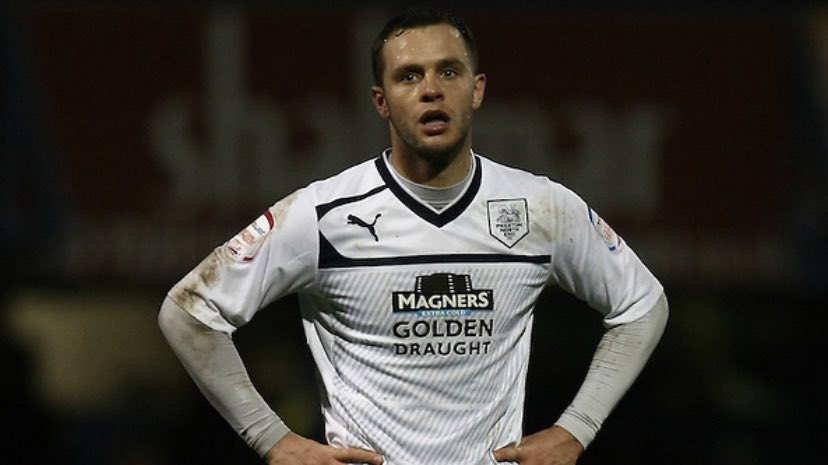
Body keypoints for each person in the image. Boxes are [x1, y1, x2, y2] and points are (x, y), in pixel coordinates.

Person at [158, 7, 668, 465]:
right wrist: (275, 442)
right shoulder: (323, 214)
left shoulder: (540, 207)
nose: (431, 89)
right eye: (409, 76)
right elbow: (188, 314)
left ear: (478, 88)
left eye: (449, 71)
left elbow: (643, 305)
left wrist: (575, 431)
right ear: (381, 101)